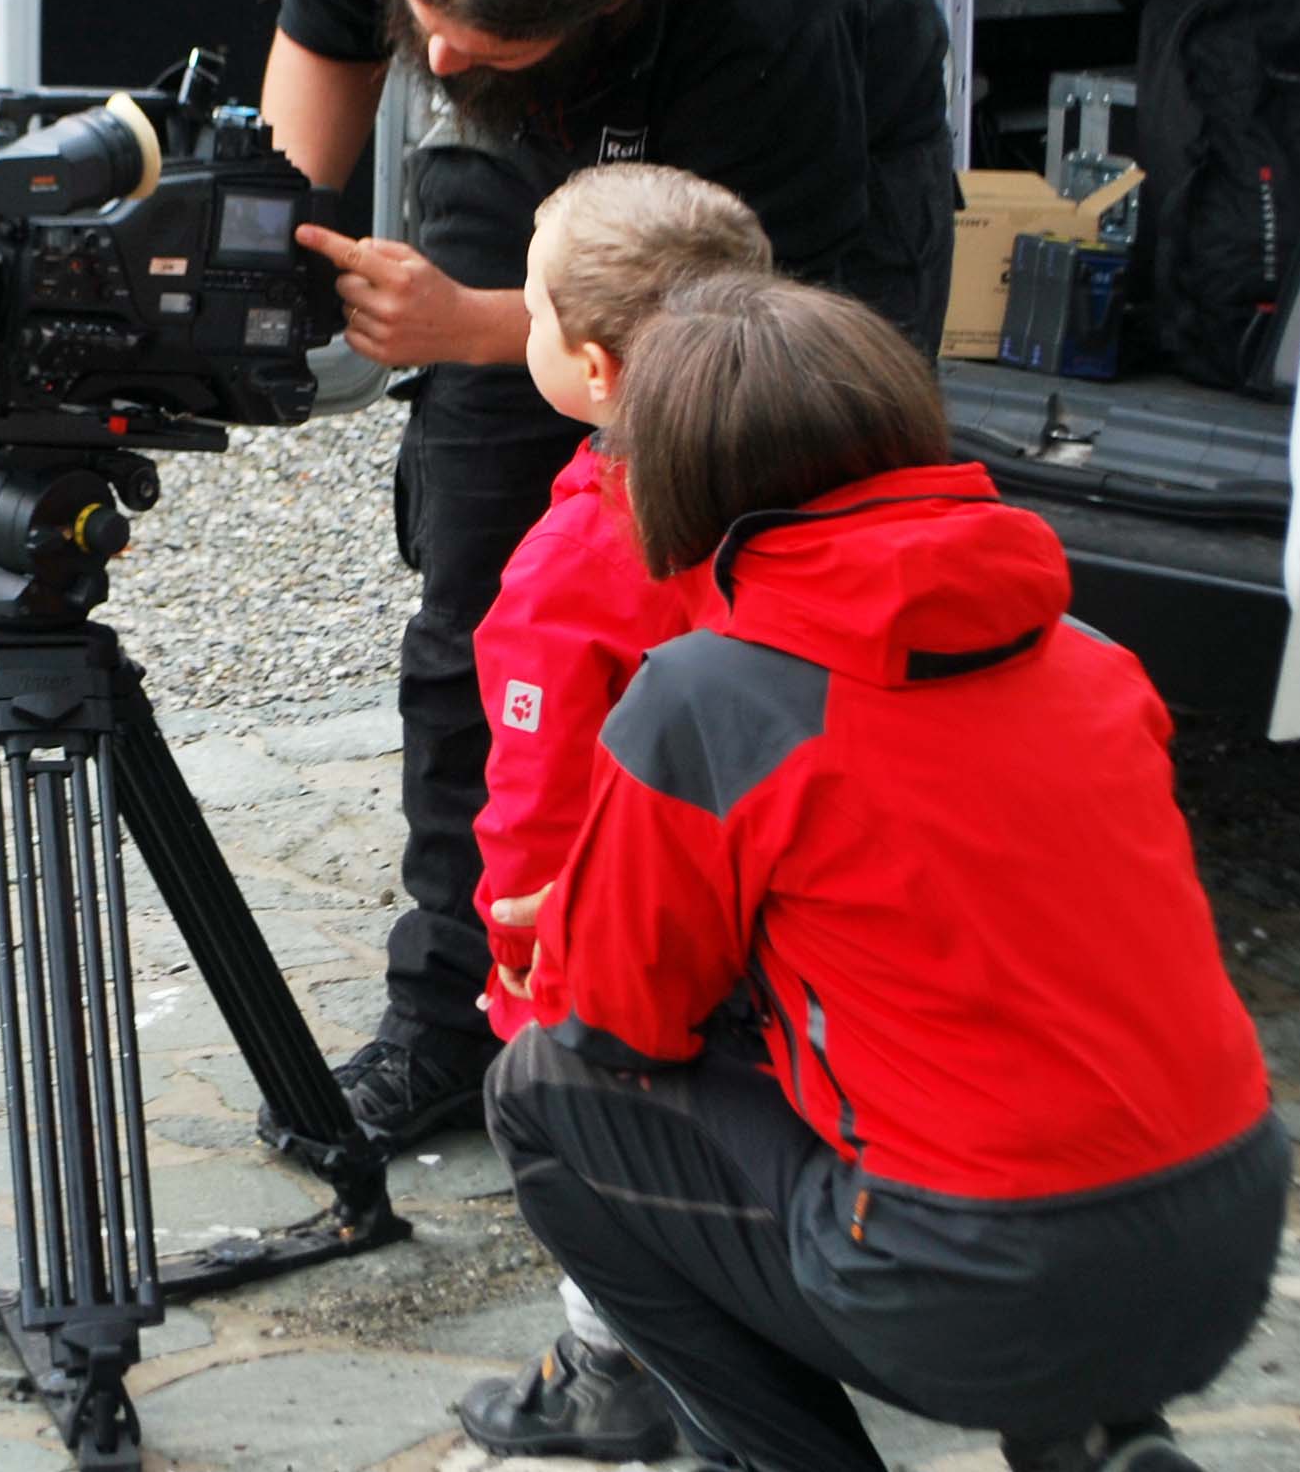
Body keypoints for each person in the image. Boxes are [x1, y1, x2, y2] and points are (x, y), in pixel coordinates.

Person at [267, 0, 956, 1153]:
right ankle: (450, 1019)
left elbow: (733, 338)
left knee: (740, 593)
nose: (438, 55)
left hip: (784, 214)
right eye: (424, 12)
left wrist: (469, 324)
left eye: (479, 45)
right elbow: (317, 96)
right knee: (482, 589)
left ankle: (748, 1007)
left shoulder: (763, 4)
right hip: (536, 152)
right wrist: (262, 269)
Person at [488, 273, 1285, 1472]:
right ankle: (1098, 1440)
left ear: (671, 482)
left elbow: (618, 1020)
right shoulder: (1095, 655)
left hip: (964, 1279)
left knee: (539, 1090)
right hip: (1227, 1238)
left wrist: (571, 920)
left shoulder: (709, 697)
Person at [446, 163, 769, 1463]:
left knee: (588, 1154)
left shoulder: (578, 559)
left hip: (619, 940)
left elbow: (535, 801)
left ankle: (607, 1369)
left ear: (587, 367)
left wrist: (518, 963)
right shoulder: (795, 488)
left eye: (527, 310)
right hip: (778, 921)